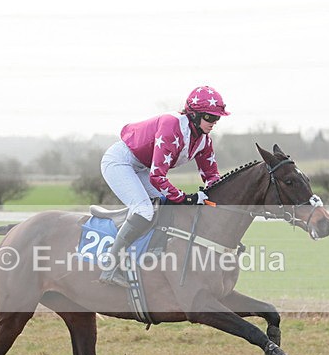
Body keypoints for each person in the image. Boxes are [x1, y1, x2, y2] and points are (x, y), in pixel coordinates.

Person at [98, 85, 230, 287]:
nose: (214, 123)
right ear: (194, 115)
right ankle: (110, 266)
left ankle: (154, 252)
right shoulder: (172, 126)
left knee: (167, 203)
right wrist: (188, 198)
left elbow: (212, 176)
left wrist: (220, 199)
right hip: (120, 162)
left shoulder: (204, 140)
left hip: (141, 166)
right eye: (210, 118)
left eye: (217, 119)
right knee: (144, 210)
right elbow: (157, 176)